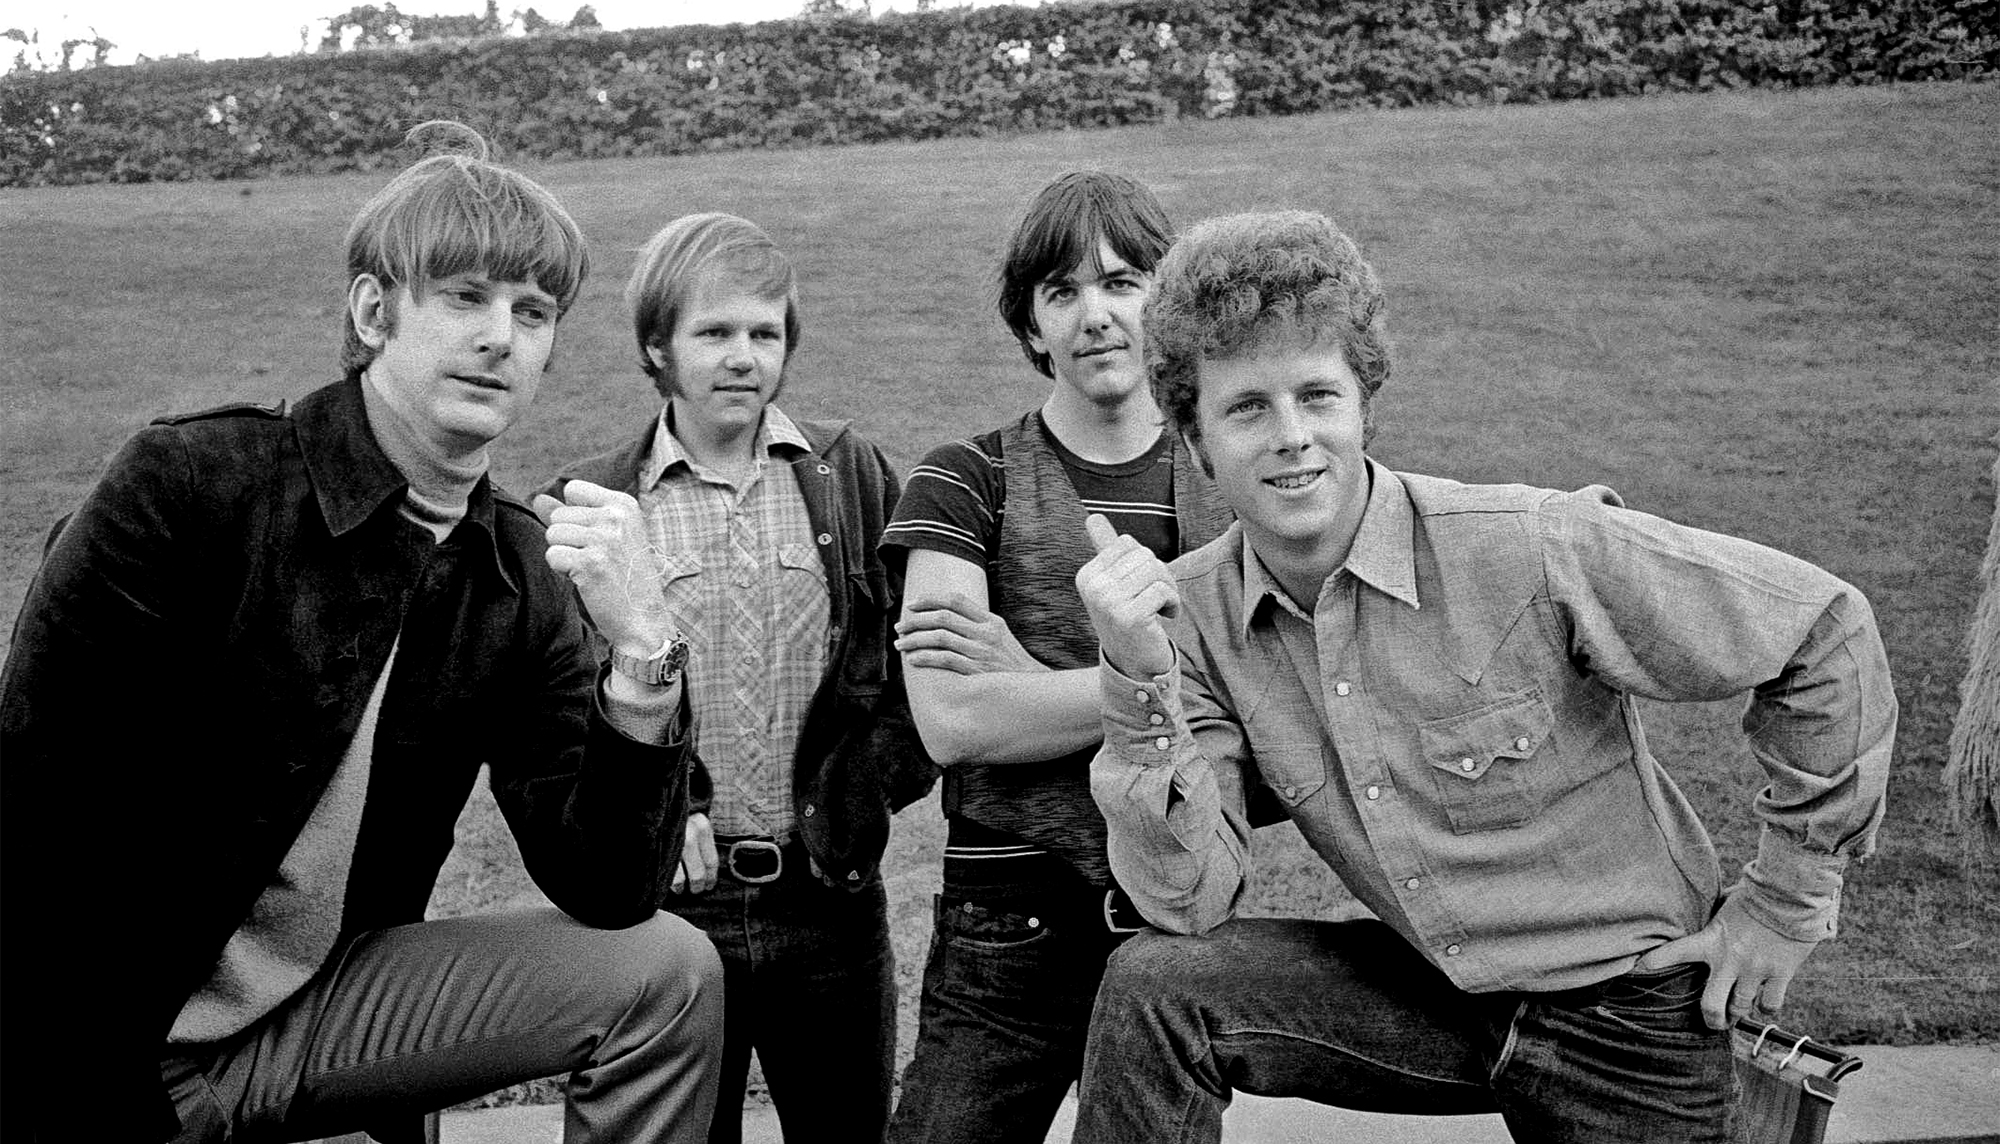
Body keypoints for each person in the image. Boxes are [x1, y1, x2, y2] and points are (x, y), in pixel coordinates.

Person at [1068, 209, 1897, 1143]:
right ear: (1195, 443)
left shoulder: (1530, 545)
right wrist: (1138, 680)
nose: (1292, 436)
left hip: (1630, 1010)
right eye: (1247, 408)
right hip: (1434, 996)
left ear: (1364, 409)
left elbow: (1824, 627)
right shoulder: (1186, 618)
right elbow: (1188, 901)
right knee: (1156, 986)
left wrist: (1784, 905)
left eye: (1318, 396)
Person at [0, 123, 724, 1144]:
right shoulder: (194, 484)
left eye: (532, 311)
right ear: (375, 312)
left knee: (666, 971)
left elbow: (608, 887)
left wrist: (644, 653)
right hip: (96, 1039)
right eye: (465, 297)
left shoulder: (518, 572)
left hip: (313, 1020)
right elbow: (33, 805)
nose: (501, 337)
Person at [539, 211, 931, 1144]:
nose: (743, 358)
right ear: (657, 346)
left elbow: (914, 666)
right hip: (675, 920)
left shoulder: (849, 476)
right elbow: (559, 711)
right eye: (714, 332)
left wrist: (861, 789)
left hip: (829, 904)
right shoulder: (597, 503)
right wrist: (661, 808)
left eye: (765, 333)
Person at [880, 171, 1233, 1143]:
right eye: (1062, 291)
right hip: (1006, 927)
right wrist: (1167, 681)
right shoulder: (963, 478)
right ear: (1032, 325)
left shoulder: (1228, 482)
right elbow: (953, 722)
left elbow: (1273, 699)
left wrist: (1030, 684)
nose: (1095, 314)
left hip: (1174, 922)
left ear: (1166, 303)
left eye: (1122, 283)